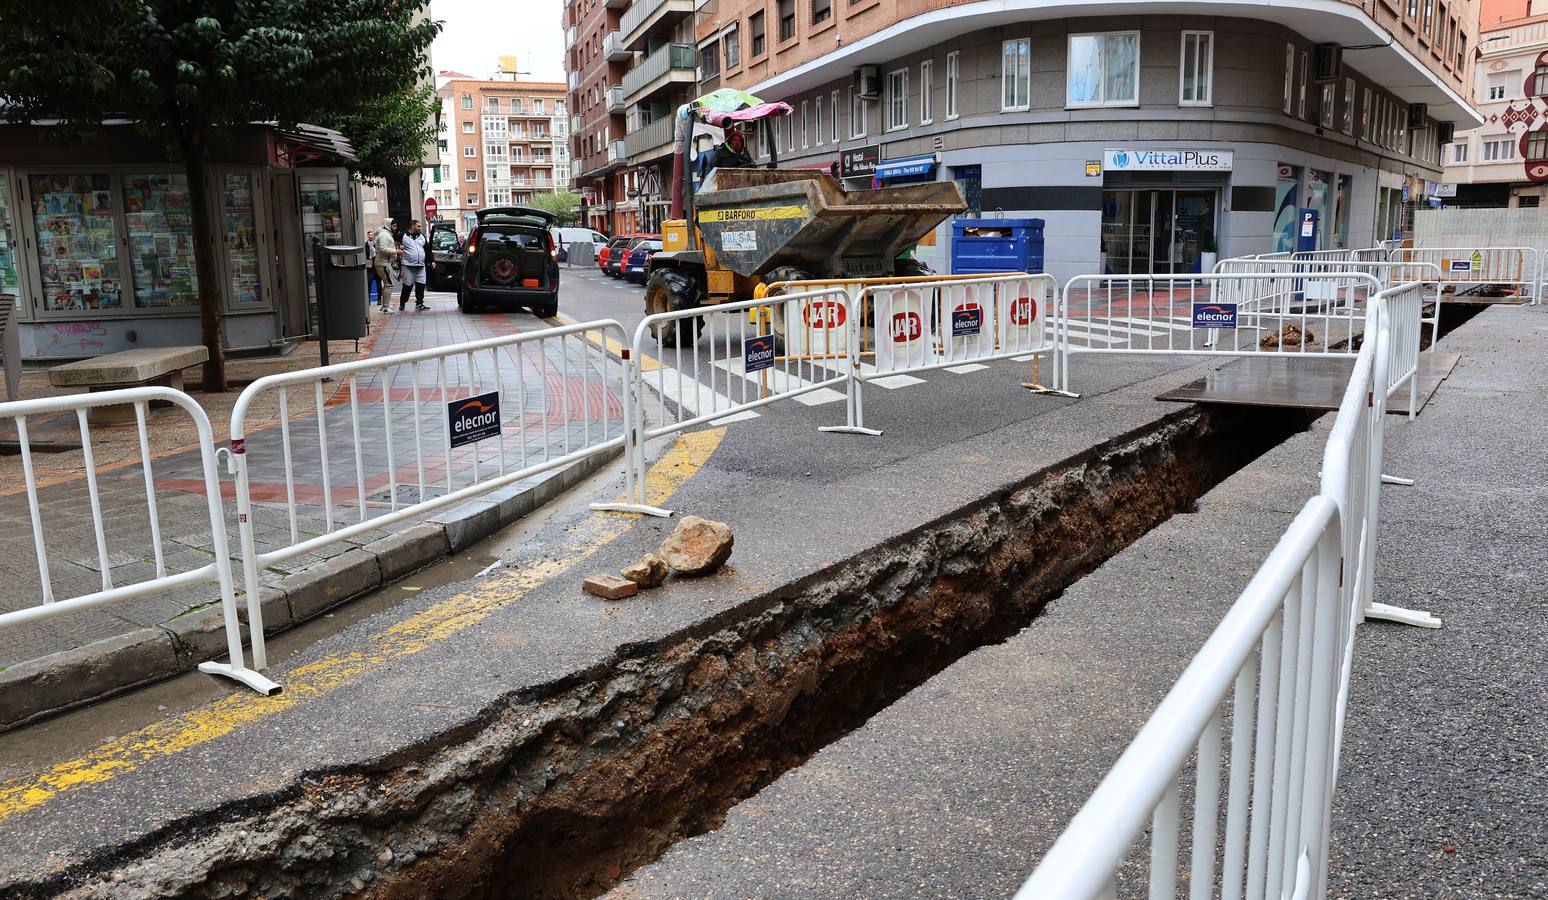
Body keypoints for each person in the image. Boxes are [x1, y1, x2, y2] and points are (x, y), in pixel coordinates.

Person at [398, 219, 430, 311]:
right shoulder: (402, 235)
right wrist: (399, 247)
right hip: (408, 265)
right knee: (407, 285)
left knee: (421, 285)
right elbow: (395, 245)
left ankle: (419, 303)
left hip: (421, 265)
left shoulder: (422, 236)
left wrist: (430, 261)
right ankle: (402, 303)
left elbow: (427, 249)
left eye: (420, 226)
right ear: (412, 226)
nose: (420, 228)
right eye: (418, 226)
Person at [372, 220, 399, 314]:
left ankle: (385, 305)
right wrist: (396, 251)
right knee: (389, 284)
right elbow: (383, 248)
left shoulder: (385, 234)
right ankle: (385, 307)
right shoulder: (384, 235)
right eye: (394, 226)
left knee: (387, 284)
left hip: (384, 262)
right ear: (389, 225)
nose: (396, 228)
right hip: (383, 263)